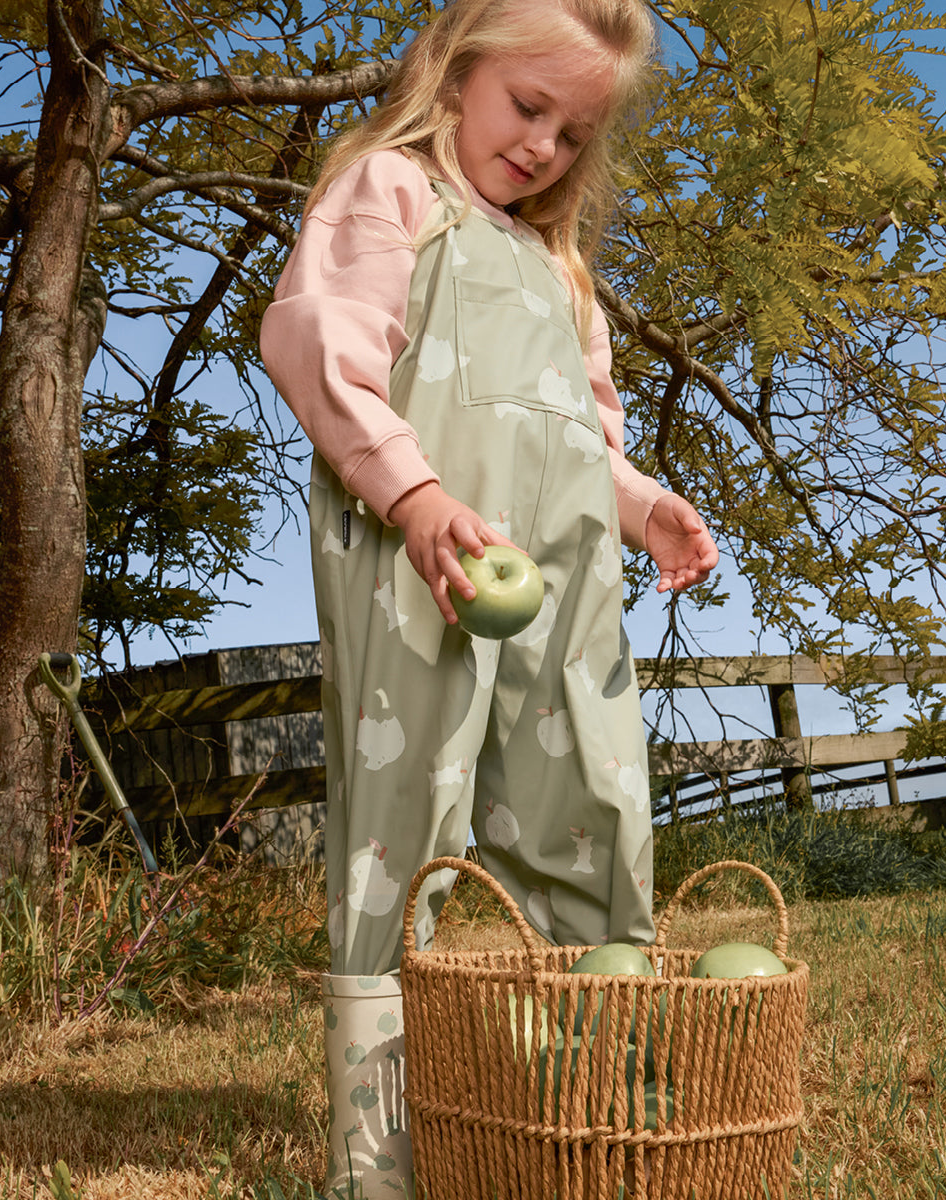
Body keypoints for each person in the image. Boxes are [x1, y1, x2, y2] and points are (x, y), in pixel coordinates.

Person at [260, 0, 717, 1193]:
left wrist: (645, 504)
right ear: (455, 71)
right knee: (405, 816)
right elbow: (321, 347)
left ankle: (578, 1112)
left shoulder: (558, 268)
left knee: (595, 795)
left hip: (568, 586)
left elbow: (586, 437)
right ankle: (383, 1150)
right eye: (528, 106)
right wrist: (414, 500)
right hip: (426, 557)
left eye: (573, 134)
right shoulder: (388, 193)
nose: (544, 148)